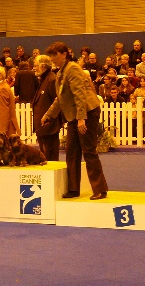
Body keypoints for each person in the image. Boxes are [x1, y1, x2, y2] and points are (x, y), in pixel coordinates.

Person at [41, 41, 108, 200]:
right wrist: (48, 114)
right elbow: (60, 98)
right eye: (50, 55)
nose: (52, 58)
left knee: (89, 151)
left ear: (64, 54)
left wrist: (81, 118)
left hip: (87, 113)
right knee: (71, 152)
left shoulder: (73, 69)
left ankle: (100, 189)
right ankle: (73, 189)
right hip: (74, 116)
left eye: (54, 55)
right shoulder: (60, 73)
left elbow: (80, 95)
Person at [32, 54, 61, 161]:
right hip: (43, 128)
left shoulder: (52, 79)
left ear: (43, 66)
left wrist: (51, 119)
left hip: (49, 128)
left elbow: (58, 102)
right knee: (45, 158)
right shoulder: (44, 79)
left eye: (35, 65)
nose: (33, 68)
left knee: (50, 159)